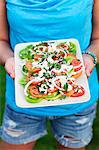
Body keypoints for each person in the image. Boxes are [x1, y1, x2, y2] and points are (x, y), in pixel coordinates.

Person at [0, 0, 99, 150]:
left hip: (76, 100)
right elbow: (1, 40)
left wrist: (90, 56)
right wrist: (8, 59)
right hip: (22, 99)